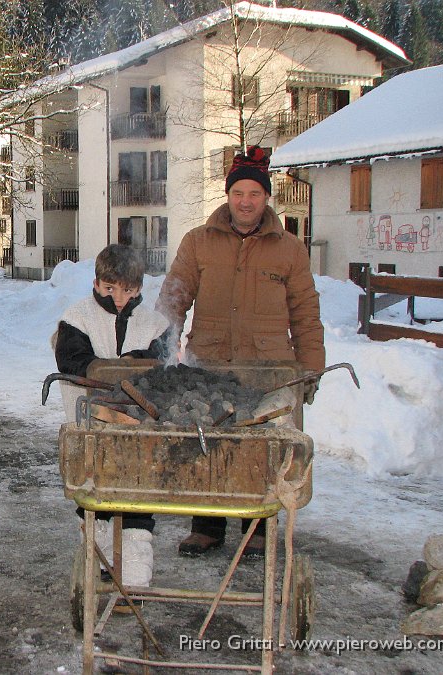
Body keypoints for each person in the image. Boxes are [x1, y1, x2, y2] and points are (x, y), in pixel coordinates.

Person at [155, 146, 324, 558]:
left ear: (266, 197)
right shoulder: (198, 241)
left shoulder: (289, 249)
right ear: (227, 196)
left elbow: (305, 312)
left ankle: (259, 527)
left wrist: (311, 369)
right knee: (207, 442)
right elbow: (174, 297)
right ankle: (207, 526)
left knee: (262, 445)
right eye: (238, 193)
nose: (245, 201)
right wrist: (163, 347)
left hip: (267, 366)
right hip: (208, 362)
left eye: (254, 193)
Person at [53, 244, 170, 586]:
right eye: (110, 289)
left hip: (140, 433)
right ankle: (99, 563)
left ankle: (132, 579)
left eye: (128, 291)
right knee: (95, 496)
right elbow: (72, 361)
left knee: (136, 497)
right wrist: (114, 371)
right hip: (90, 428)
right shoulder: (77, 319)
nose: (119, 299)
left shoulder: (154, 324)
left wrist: (136, 364)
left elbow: (162, 363)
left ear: (139, 289)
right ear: (96, 284)